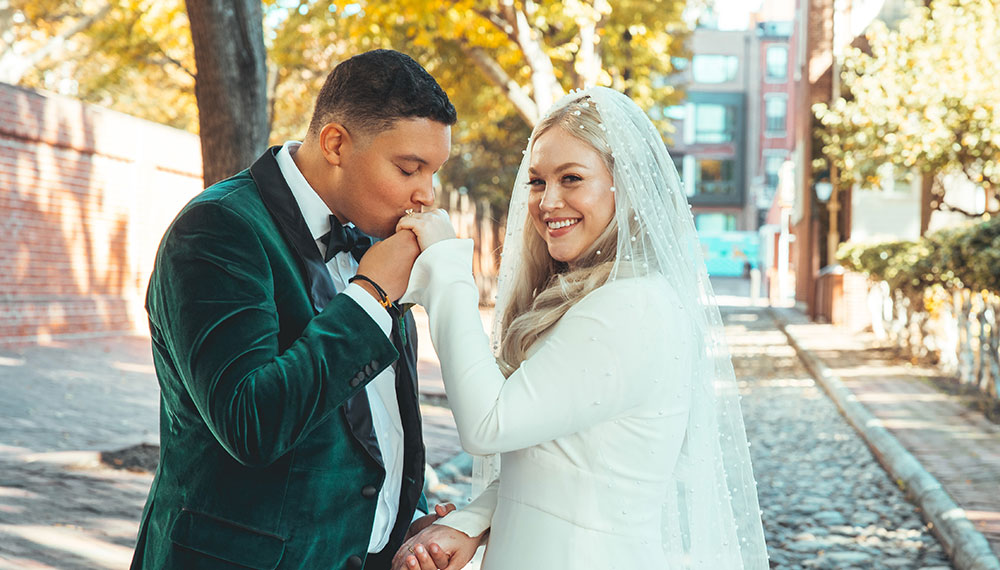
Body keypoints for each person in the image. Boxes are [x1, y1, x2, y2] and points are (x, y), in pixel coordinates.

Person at [391, 87, 769, 569]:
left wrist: (446, 271)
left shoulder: (628, 308)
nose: (548, 201)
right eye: (536, 181)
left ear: (624, 186)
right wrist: (469, 522)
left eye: (571, 178)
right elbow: (558, 457)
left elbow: (490, 424)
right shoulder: (607, 295)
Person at [130, 49, 458, 570]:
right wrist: (370, 293)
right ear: (335, 143)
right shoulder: (217, 229)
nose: (426, 194)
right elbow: (251, 424)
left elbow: (377, 415)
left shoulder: (377, 237)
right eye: (409, 168)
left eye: (434, 172)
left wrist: (404, 520)